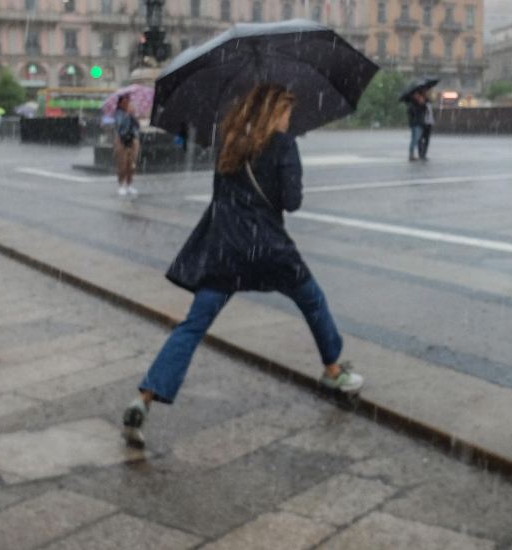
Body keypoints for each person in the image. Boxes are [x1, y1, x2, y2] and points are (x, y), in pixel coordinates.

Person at [121, 83, 364, 448]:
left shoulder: (229, 142)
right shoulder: (283, 145)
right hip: (270, 249)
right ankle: (332, 370)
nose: (289, 119)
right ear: (273, 113)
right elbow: (292, 202)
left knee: (193, 326)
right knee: (312, 300)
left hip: (226, 250)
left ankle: (145, 397)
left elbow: (223, 197)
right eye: (286, 112)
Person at [113, 95, 140, 196]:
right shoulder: (118, 113)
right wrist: (127, 115)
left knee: (132, 164)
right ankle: (121, 185)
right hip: (121, 140)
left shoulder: (132, 114)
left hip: (133, 140)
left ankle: (129, 184)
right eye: (124, 102)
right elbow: (120, 126)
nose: (127, 103)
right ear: (120, 103)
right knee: (122, 164)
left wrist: (134, 117)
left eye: (128, 101)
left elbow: (137, 127)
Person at [407, 92, 425, 161]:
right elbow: (411, 113)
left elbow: (424, 110)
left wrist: (422, 103)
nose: (418, 96)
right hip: (415, 124)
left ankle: (413, 154)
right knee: (415, 139)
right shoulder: (412, 104)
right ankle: (411, 155)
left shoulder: (419, 103)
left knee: (416, 139)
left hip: (419, 123)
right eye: (416, 95)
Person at [418, 91, 434, 160]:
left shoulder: (429, 103)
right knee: (420, 139)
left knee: (427, 140)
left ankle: (424, 154)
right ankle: (421, 154)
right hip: (423, 123)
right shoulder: (420, 104)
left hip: (429, 123)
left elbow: (430, 113)